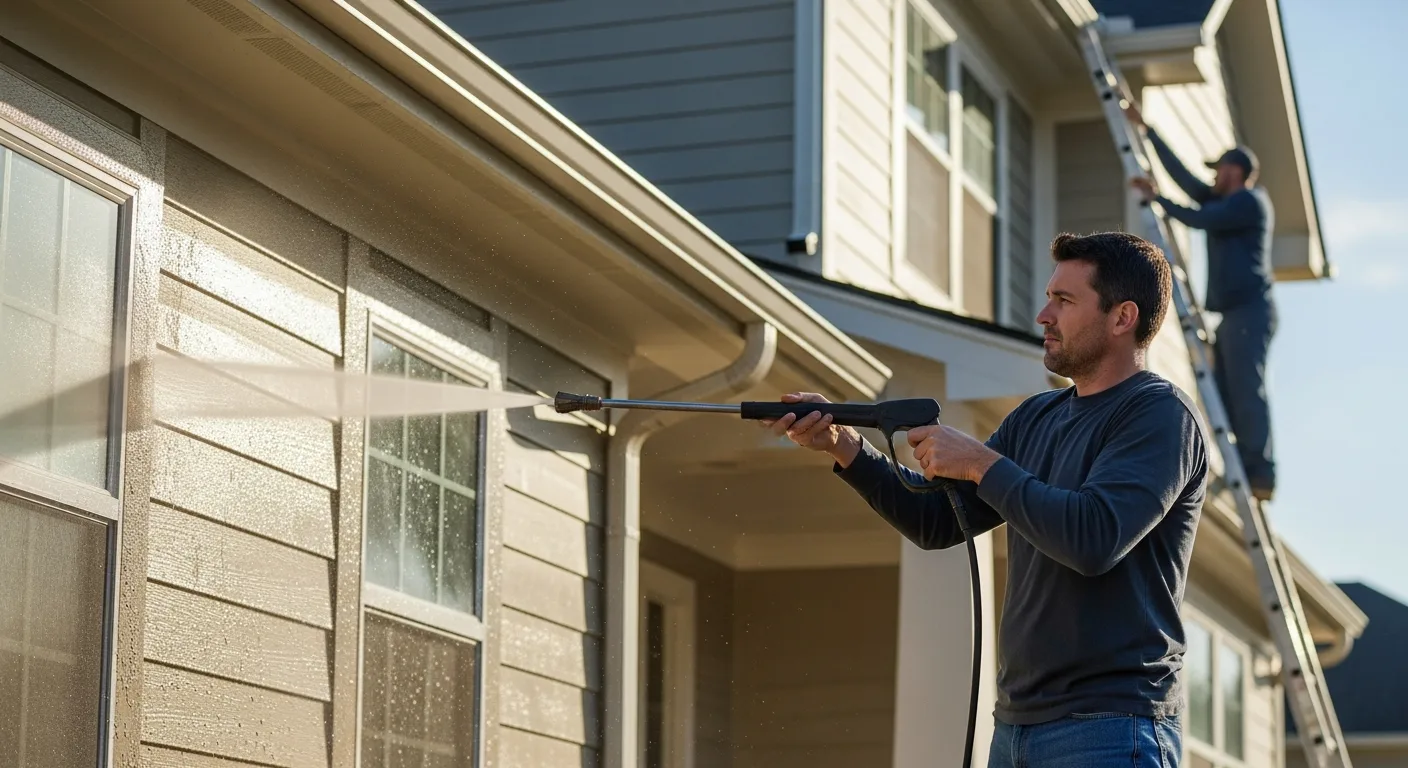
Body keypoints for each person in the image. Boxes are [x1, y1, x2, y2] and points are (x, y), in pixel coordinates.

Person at [763, 231, 1209, 767]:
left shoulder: (1158, 415)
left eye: (1064, 301)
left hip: (1112, 729)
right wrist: (843, 445)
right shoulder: (1034, 419)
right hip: (1016, 731)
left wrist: (980, 462)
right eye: (1049, 297)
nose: (1044, 315)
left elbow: (1094, 537)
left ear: (1122, 317)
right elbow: (935, 520)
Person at [1125, 102, 1278, 501]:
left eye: (1219, 169)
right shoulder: (1226, 201)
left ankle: (1260, 473)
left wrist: (1159, 200)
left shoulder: (1249, 202)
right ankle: (1244, 469)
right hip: (1234, 314)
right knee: (1227, 392)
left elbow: (1198, 217)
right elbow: (1190, 184)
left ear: (1236, 172)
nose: (1213, 176)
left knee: (1245, 390)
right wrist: (1149, 131)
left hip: (1250, 311)